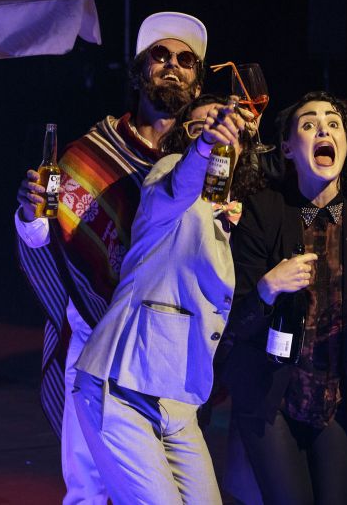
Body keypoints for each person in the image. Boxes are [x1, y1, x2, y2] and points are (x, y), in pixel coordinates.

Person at [15, 11, 207, 504]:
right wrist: (30, 215)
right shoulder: (90, 154)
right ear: (140, 70)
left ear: (198, 82)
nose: (172, 66)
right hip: (96, 339)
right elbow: (49, 243)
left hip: (166, 346)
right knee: (89, 488)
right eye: (160, 55)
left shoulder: (209, 163)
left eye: (185, 60)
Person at [73, 94, 258, 504]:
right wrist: (205, 146)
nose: (214, 133)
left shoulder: (226, 212)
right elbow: (180, 184)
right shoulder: (169, 179)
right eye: (199, 129)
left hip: (178, 404)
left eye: (222, 127)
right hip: (122, 388)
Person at [224, 91, 347, 504]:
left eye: (333, 123)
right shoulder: (263, 212)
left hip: (340, 398)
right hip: (272, 395)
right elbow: (233, 320)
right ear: (288, 147)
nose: (323, 129)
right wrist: (268, 287)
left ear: (346, 142)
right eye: (309, 124)